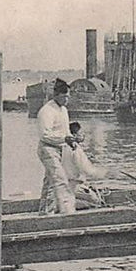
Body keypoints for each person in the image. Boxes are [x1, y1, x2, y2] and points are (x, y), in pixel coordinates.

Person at [38, 79, 78, 215]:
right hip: (47, 149)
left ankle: (45, 212)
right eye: (65, 96)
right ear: (56, 95)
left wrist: (73, 141)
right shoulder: (47, 111)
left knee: (50, 181)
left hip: (60, 149)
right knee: (59, 179)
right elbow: (45, 135)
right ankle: (59, 212)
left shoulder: (64, 110)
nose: (67, 99)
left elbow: (66, 131)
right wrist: (64, 139)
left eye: (68, 96)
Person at [62, 122, 107, 209]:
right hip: (74, 186)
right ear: (74, 135)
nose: (83, 135)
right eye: (81, 133)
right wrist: (107, 173)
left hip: (66, 185)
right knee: (97, 202)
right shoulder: (76, 149)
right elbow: (88, 170)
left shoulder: (64, 147)